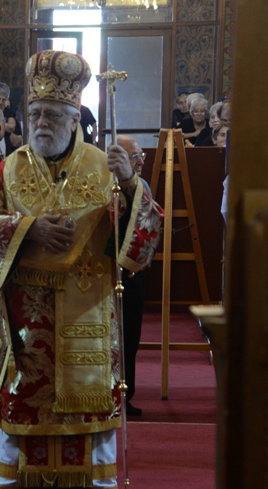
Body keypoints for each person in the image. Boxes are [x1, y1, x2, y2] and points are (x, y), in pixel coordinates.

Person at [0, 50, 163, 489]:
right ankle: (16, 478)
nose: (42, 122)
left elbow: (143, 238)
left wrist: (130, 186)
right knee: (26, 389)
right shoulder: (9, 169)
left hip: (88, 307)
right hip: (26, 314)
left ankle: (88, 479)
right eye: (35, 113)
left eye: (53, 114)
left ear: (75, 117)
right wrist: (28, 229)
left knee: (86, 393)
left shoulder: (104, 166)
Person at [115, 135, 162, 417]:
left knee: (130, 336)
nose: (141, 162)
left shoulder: (141, 185)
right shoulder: (101, 184)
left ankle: (125, 393)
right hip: (104, 272)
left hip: (132, 274)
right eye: (134, 157)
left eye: (140, 155)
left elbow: (151, 221)